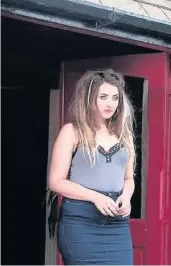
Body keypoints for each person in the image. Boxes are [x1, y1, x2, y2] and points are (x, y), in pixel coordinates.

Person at [48, 69, 136, 265]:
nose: (110, 103)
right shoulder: (72, 131)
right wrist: (96, 197)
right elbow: (55, 182)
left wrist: (127, 197)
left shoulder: (124, 134)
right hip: (81, 222)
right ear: (89, 98)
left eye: (115, 98)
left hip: (117, 224)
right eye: (103, 97)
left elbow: (128, 179)